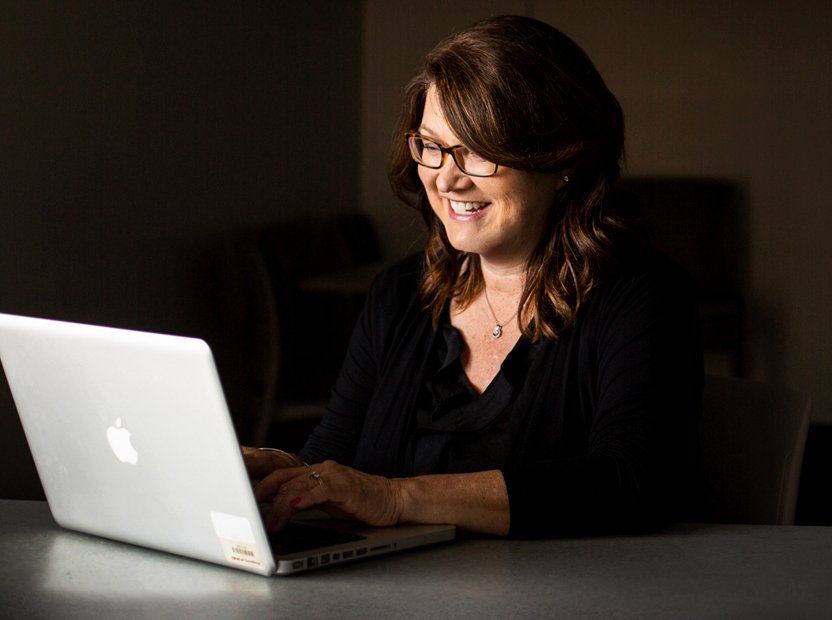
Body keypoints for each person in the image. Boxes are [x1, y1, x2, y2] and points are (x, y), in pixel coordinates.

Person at [242, 15, 701, 538]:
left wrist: (396, 497)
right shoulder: (397, 295)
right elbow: (335, 455)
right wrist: (285, 472)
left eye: (478, 150)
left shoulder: (643, 297)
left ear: (564, 159)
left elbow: (632, 484)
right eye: (431, 145)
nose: (446, 176)